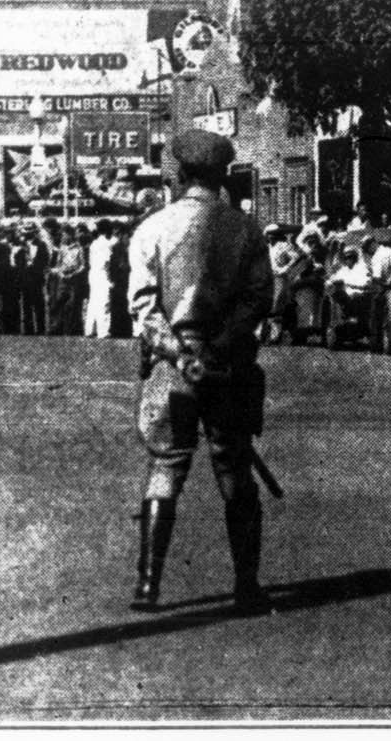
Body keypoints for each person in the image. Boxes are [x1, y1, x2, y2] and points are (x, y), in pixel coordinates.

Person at [126, 129, 276, 614]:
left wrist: (178, 351)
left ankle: (149, 587)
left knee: (166, 467)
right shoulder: (245, 229)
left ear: (179, 173)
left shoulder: (152, 228)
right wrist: (219, 347)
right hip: (228, 367)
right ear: (224, 174)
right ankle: (246, 586)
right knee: (233, 468)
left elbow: (143, 307)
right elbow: (257, 300)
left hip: (172, 370)